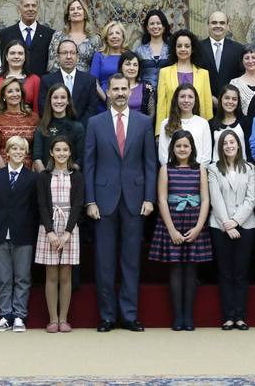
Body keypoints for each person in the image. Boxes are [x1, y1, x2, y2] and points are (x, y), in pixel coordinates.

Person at [84, 74, 157, 332]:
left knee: (131, 260)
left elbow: (150, 164)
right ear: (108, 92)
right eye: (115, 89)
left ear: (130, 91)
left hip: (135, 200)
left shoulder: (144, 122)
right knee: (104, 261)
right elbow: (89, 164)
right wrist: (90, 200)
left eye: (124, 88)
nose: (119, 93)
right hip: (103, 201)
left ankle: (129, 315)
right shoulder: (95, 123)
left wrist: (149, 198)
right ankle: (107, 316)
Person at [151, 130, 212, 331]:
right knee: (176, 268)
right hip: (173, 222)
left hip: (194, 222)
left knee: (191, 269)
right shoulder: (166, 169)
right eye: (178, 146)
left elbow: (205, 199)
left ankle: (189, 317)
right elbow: (161, 200)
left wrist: (199, 227)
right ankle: (177, 317)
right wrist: (171, 230)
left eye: (186, 146)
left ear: (192, 148)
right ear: (173, 148)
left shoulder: (200, 169)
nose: (182, 149)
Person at [208, 129, 255, 331]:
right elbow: (215, 198)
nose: (229, 146)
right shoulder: (213, 169)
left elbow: (251, 198)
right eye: (225, 143)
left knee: (241, 272)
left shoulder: (249, 168)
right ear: (220, 147)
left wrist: (236, 221)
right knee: (225, 272)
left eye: (232, 142)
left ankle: (240, 317)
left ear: (238, 145)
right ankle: (229, 317)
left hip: (246, 225)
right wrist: (227, 224)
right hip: (220, 226)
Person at [0, 135, 38, 332]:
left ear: (26, 153)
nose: (18, 152)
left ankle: (19, 315)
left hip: (23, 233)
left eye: (22, 149)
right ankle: (4, 315)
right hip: (0, 232)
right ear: (7, 152)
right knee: (3, 278)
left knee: (22, 278)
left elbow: (34, 207)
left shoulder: (32, 178)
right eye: (14, 149)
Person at [35, 135, 83, 333]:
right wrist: (50, 232)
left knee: (66, 275)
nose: (61, 153)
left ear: (70, 152)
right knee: (51, 275)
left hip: (69, 228)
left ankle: (64, 319)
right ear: (51, 153)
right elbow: (41, 205)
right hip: (49, 228)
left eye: (65, 150)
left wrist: (67, 233)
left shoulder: (76, 176)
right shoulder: (44, 176)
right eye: (58, 150)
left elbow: (78, 205)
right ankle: (53, 319)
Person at [156, 30, 212, 127]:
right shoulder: (164, 72)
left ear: (192, 49)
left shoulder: (203, 74)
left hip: (198, 127)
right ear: (174, 48)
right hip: (172, 126)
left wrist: (209, 129)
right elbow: (161, 106)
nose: (183, 49)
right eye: (179, 46)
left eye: (187, 46)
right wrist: (159, 131)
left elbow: (208, 106)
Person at [42, 38, 102, 119]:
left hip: (82, 126)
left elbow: (92, 109)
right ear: (58, 57)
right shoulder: (47, 80)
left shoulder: (89, 80)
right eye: (64, 53)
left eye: (72, 53)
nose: (69, 57)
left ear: (77, 57)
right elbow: (44, 108)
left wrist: (77, 126)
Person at [33, 81, 85, 172]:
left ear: (68, 101)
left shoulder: (78, 128)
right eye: (55, 97)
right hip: (46, 177)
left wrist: (67, 176)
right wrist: (46, 177)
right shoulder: (41, 128)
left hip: (70, 177)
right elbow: (37, 158)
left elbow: (80, 158)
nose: (59, 101)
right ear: (50, 100)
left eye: (63, 97)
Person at [0, 77, 39, 168]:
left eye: (17, 90)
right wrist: (6, 173)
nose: (15, 94)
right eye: (10, 91)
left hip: (28, 171)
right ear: (3, 96)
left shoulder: (33, 117)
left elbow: (36, 150)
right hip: (3, 169)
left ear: (22, 94)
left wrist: (30, 173)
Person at [0, 0, 52, 77]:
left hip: (41, 82)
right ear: (19, 9)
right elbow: (4, 62)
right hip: (14, 82)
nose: (31, 9)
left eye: (34, 6)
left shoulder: (49, 34)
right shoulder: (6, 34)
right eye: (26, 6)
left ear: (38, 9)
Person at [158, 82, 212, 165]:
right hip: (172, 171)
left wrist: (196, 170)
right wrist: (173, 170)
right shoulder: (165, 123)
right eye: (182, 96)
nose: (186, 100)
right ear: (176, 99)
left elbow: (206, 156)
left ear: (195, 100)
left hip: (197, 171)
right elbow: (163, 155)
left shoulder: (203, 123)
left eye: (190, 97)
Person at [201, 11, 246, 100]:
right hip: (204, 101)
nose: (218, 26)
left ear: (227, 26)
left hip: (231, 103)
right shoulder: (197, 48)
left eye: (222, 23)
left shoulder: (238, 49)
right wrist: (208, 97)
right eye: (214, 23)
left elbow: (242, 77)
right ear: (208, 25)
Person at [135, 9, 173, 113]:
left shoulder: (172, 49)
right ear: (147, 28)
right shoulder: (139, 50)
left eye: (158, 23)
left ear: (164, 27)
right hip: (145, 95)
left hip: (168, 93)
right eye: (152, 24)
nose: (155, 26)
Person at [0, 39, 43, 110]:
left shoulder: (35, 80)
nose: (16, 56)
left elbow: (37, 108)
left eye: (20, 53)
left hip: (29, 117)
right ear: (6, 57)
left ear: (25, 57)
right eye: (12, 53)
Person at [50, 0, 98, 73]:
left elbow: (97, 65)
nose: (76, 11)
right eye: (72, 9)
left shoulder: (94, 39)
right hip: (61, 79)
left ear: (85, 14)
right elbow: (52, 64)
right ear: (68, 16)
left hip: (86, 79)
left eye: (79, 8)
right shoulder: (58, 36)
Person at [89, 21, 130, 108]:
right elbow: (94, 82)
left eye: (117, 33)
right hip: (103, 102)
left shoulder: (129, 55)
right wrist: (107, 100)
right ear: (106, 38)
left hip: (126, 101)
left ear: (123, 36)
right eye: (110, 34)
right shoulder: (99, 56)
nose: (114, 36)